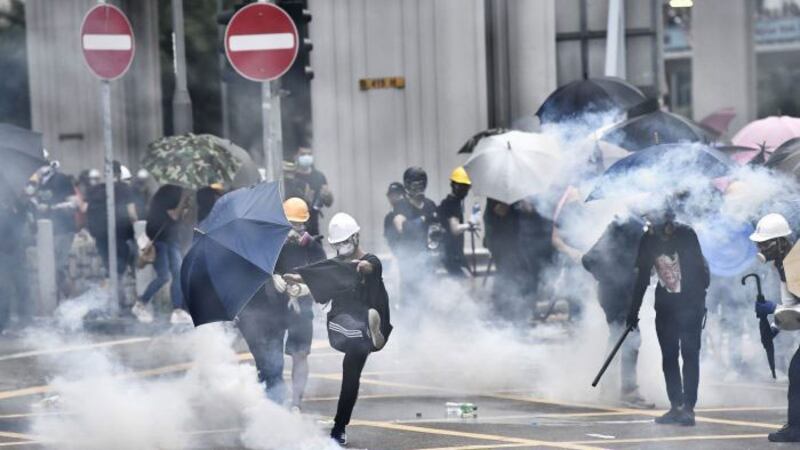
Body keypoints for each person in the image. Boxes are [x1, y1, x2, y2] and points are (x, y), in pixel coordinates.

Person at [286, 212, 391, 446]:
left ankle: (339, 427)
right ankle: (371, 335)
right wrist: (294, 278)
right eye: (337, 244)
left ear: (356, 237)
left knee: (351, 374)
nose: (341, 247)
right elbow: (317, 272)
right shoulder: (336, 265)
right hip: (346, 323)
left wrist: (361, 267)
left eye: (344, 241)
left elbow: (369, 266)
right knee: (350, 360)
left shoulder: (371, 260)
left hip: (366, 319)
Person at [626, 206, 709, 426]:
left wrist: (698, 306)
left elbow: (701, 274)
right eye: (650, 224)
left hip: (690, 305)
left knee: (690, 354)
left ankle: (689, 408)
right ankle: (676, 406)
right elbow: (642, 277)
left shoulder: (686, 235)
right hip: (665, 307)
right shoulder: (648, 239)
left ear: (668, 222)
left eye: (656, 224)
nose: (652, 228)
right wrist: (633, 312)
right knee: (669, 356)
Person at [582, 215, 653, 409]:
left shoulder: (622, 228)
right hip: (616, 294)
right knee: (631, 337)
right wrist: (614, 276)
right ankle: (628, 391)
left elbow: (589, 260)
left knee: (618, 336)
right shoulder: (632, 231)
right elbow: (588, 260)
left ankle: (609, 389)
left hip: (617, 292)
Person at [269, 198, 327, 410]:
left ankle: (296, 402)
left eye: (300, 224)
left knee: (300, 353)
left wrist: (305, 289)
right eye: (292, 224)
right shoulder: (272, 246)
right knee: (272, 354)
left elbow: (326, 278)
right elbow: (260, 268)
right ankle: (273, 399)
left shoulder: (312, 247)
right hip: (274, 308)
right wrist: (272, 276)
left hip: (301, 309)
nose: (297, 229)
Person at [747, 213, 800, 442]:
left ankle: (796, 428)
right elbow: (791, 305)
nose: (761, 248)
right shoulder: (784, 263)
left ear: (779, 242)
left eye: (765, 243)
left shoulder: (796, 261)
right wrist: (774, 326)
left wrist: (772, 309)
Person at [134, 184, 192, 325]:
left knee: (175, 274)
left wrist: (186, 203)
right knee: (166, 275)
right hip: (162, 240)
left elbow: (181, 217)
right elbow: (174, 215)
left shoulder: (168, 191)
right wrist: (184, 198)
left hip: (170, 240)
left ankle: (177, 311)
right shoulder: (170, 191)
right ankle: (141, 304)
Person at [85, 161, 138, 306]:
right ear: (119, 174)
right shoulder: (124, 189)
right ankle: (115, 301)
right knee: (120, 267)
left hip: (100, 235)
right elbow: (132, 214)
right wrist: (139, 231)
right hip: (121, 234)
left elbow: (85, 210)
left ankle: (114, 301)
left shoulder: (96, 190)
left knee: (110, 267)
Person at [29, 163, 80, 299]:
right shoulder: (37, 183)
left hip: (63, 229)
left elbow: (74, 204)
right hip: (45, 231)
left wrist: (51, 207)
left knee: (58, 267)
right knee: (49, 268)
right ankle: (56, 301)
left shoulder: (61, 179)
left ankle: (73, 301)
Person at [392, 167, 438, 305]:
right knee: (411, 297)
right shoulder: (401, 205)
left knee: (428, 297)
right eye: (415, 184)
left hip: (428, 256)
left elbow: (436, 231)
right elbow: (400, 227)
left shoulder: (430, 205)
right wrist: (423, 220)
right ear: (407, 184)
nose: (419, 188)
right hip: (409, 258)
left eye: (422, 184)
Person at [0, 191, 33, 329]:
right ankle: (3, 323)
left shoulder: (15, 211)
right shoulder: (6, 213)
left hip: (16, 255)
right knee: (4, 291)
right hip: (4, 256)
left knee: (22, 288)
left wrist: (22, 201)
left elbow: (21, 215)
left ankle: (25, 320)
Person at [438, 167, 475, 276]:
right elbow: (455, 229)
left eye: (467, 187)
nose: (466, 191)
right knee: (465, 283)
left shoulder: (454, 203)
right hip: (451, 255)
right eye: (464, 187)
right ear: (455, 185)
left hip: (455, 253)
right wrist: (469, 226)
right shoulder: (451, 203)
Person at [294, 147, 334, 236]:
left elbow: (328, 203)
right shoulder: (293, 176)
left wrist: (327, 196)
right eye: (303, 154)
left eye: (309, 154)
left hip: (313, 227)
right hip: (295, 225)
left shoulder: (319, 176)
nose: (306, 157)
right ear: (296, 156)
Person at [383, 182, 405, 253]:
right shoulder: (389, 218)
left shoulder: (412, 211)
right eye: (391, 195)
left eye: (397, 195)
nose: (394, 198)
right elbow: (389, 240)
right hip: (399, 253)